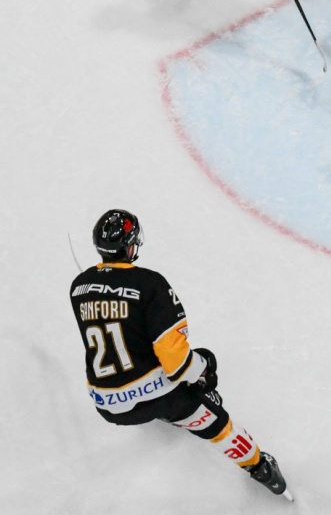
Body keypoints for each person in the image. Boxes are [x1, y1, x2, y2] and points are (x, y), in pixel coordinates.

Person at [69, 210, 291, 500]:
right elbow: (177, 362)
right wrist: (204, 373)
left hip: (106, 404)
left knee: (150, 359)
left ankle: (172, 411)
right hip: (155, 398)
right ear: (130, 246)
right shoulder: (149, 284)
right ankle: (262, 469)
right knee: (207, 386)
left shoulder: (79, 287)